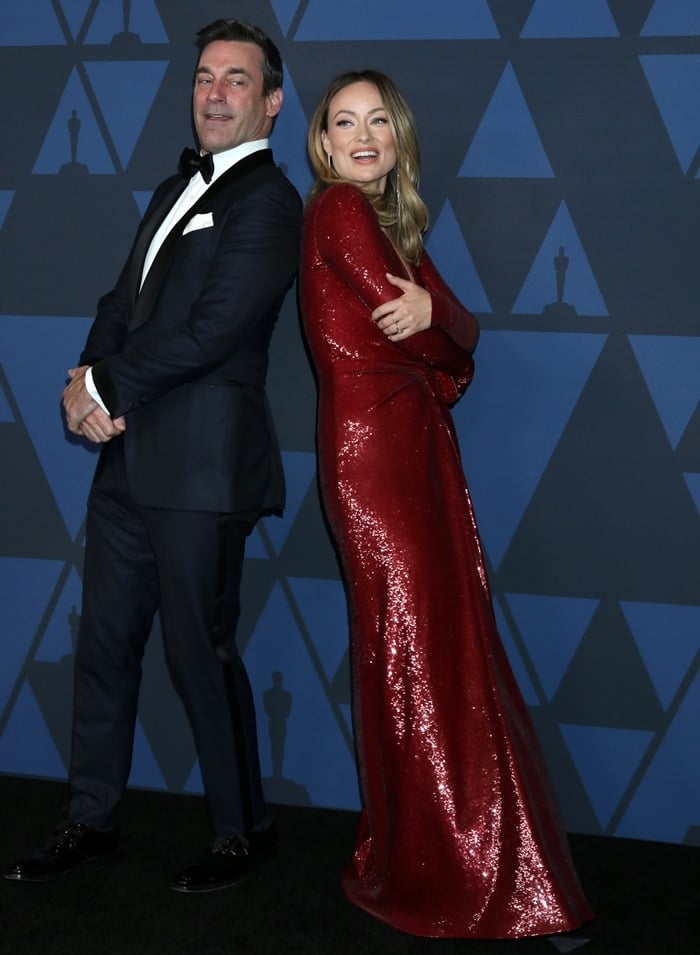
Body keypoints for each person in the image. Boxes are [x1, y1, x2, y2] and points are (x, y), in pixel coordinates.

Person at [5, 19, 302, 893]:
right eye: (205, 77)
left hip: (202, 468)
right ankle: (91, 817)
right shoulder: (175, 185)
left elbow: (213, 333)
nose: (214, 93)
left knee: (198, 652)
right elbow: (120, 300)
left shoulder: (270, 205)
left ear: (272, 103)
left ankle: (244, 828)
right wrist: (84, 382)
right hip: (127, 461)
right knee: (102, 644)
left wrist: (104, 391)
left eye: (237, 80)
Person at [299, 70, 592, 939]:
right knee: (416, 656)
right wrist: (437, 319)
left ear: (399, 138)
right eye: (342, 122)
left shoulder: (395, 228)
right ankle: (456, 871)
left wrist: (442, 319)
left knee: (436, 650)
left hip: (416, 451)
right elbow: (422, 328)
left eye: (376, 120)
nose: (360, 136)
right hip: (374, 460)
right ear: (320, 143)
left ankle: (444, 854)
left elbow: (461, 345)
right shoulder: (337, 212)